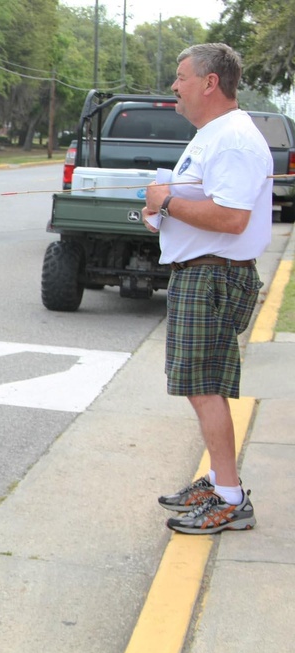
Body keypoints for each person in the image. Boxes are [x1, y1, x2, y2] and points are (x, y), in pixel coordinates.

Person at [142, 43, 271, 534]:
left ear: (210, 82)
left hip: (214, 274)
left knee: (204, 386)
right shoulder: (211, 136)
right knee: (202, 385)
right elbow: (205, 202)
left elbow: (232, 218)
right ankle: (219, 480)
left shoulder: (234, 139)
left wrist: (168, 204)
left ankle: (231, 497)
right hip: (199, 271)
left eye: (181, 76)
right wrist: (162, 209)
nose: (174, 86)